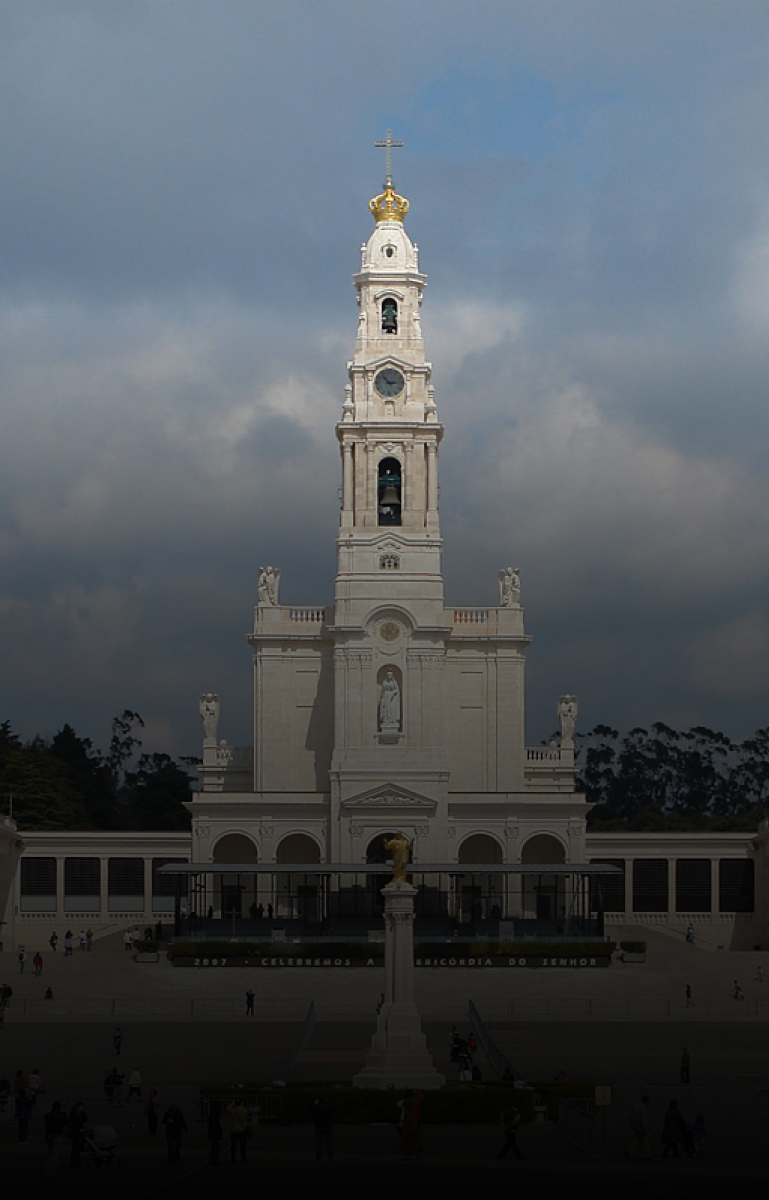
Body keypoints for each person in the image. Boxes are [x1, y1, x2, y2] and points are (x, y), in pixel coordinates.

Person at [44, 1100, 67, 1175]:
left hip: (49, 1134)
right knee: (55, 1154)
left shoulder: (47, 1115)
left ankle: (47, 1170)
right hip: (57, 1135)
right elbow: (66, 1122)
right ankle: (53, 1170)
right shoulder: (61, 1116)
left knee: (49, 1153)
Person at [625, 1095, 652, 1160]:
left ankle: (629, 1151)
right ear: (647, 1101)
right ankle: (647, 1155)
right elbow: (644, 1119)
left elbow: (632, 1117)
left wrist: (632, 1125)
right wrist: (645, 1129)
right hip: (641, 1128)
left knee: (640, 1141)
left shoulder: (636, 1107)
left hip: (636, 1126)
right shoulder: (644, 1108)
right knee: (644, 1141)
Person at [226, 1097, 250, 1163]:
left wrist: (233, 1103)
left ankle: (233, 1159)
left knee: (233, 1146)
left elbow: (227, 1109)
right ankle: (243, 1159)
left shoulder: (233, 1110)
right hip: (242, 1129)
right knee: (243, 1146)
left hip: (234, 1129)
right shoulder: (245, 1110)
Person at [310, 1095, 334, 1161]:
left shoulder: (316, 1107)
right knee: (329, 1142)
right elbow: (332, 1113)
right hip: (328, 1125)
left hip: (319, 1125)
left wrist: (314, 1104)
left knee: (319, 1142)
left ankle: (318, 1156)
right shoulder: (329, 1107)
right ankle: (330, 1156)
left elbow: (310, 1109)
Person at [67, 1101, 89, 1167]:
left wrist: (84, 1113)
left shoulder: (81, 1114)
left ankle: (76, 1162)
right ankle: (75, 1163)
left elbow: (85, 1120)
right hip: (75, 1132)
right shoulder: (73, 1114)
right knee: (75, 1147)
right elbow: (73, 1124)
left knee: (76, 1148)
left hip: (79, 1132)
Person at [207, 1100, 223, 1165]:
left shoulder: (213, 1114)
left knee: (214, 1147)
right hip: (215, 1133)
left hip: (213, 1133)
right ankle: (214, 1159)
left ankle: (212, 1159)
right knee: (217, 1147)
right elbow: (215, 1125)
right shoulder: (214, 1114)